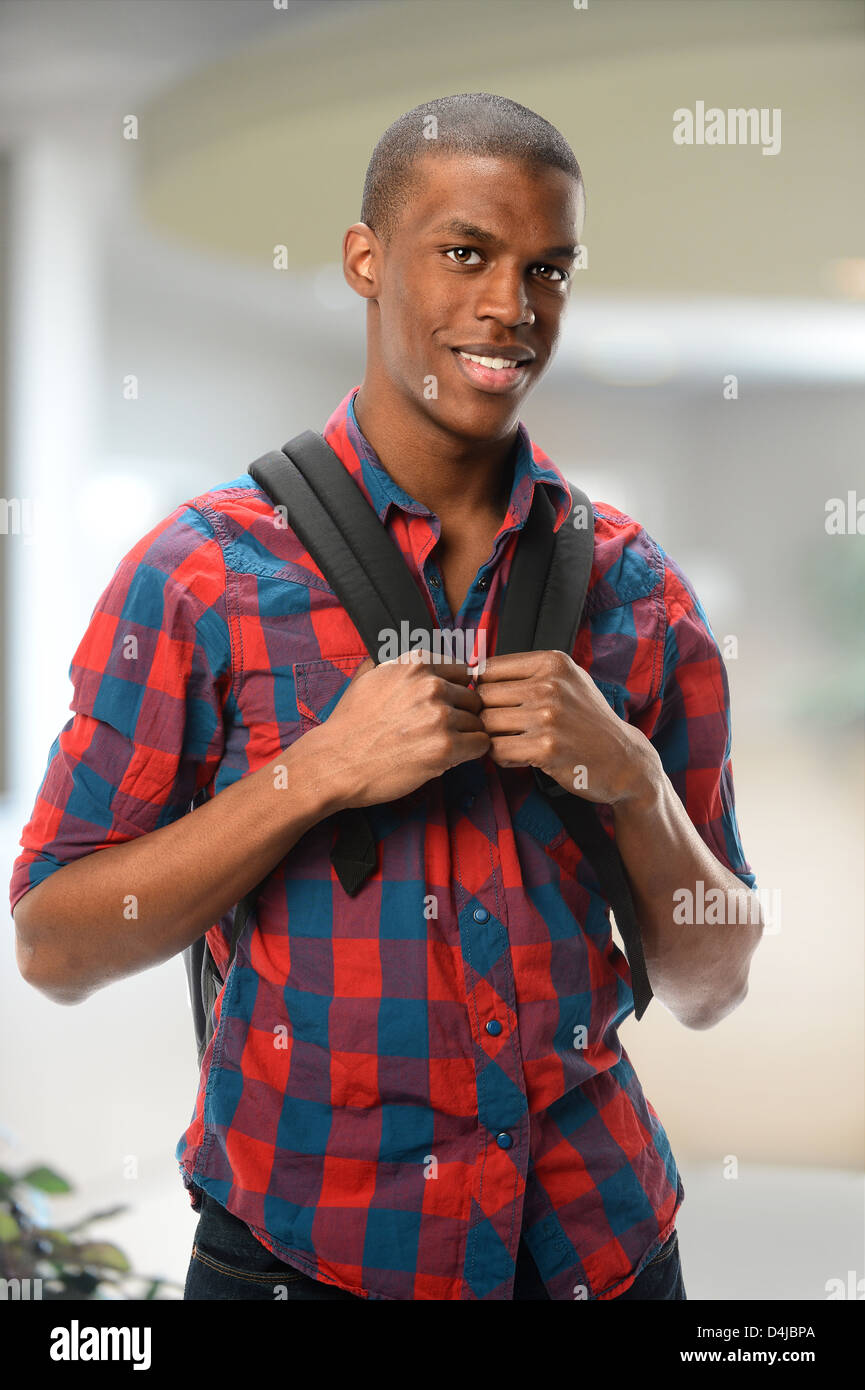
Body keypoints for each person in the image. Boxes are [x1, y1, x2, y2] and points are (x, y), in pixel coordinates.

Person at [10, 92, 762, 1301]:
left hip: (600, 1253)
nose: (512, 309)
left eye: (547, 269)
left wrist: (630, 779)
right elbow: (52, 944)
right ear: (366, 260)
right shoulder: (199, 575)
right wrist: (312, 774)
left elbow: (712, 981)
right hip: (306, 1261)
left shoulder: (639, 593)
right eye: (466, 253)